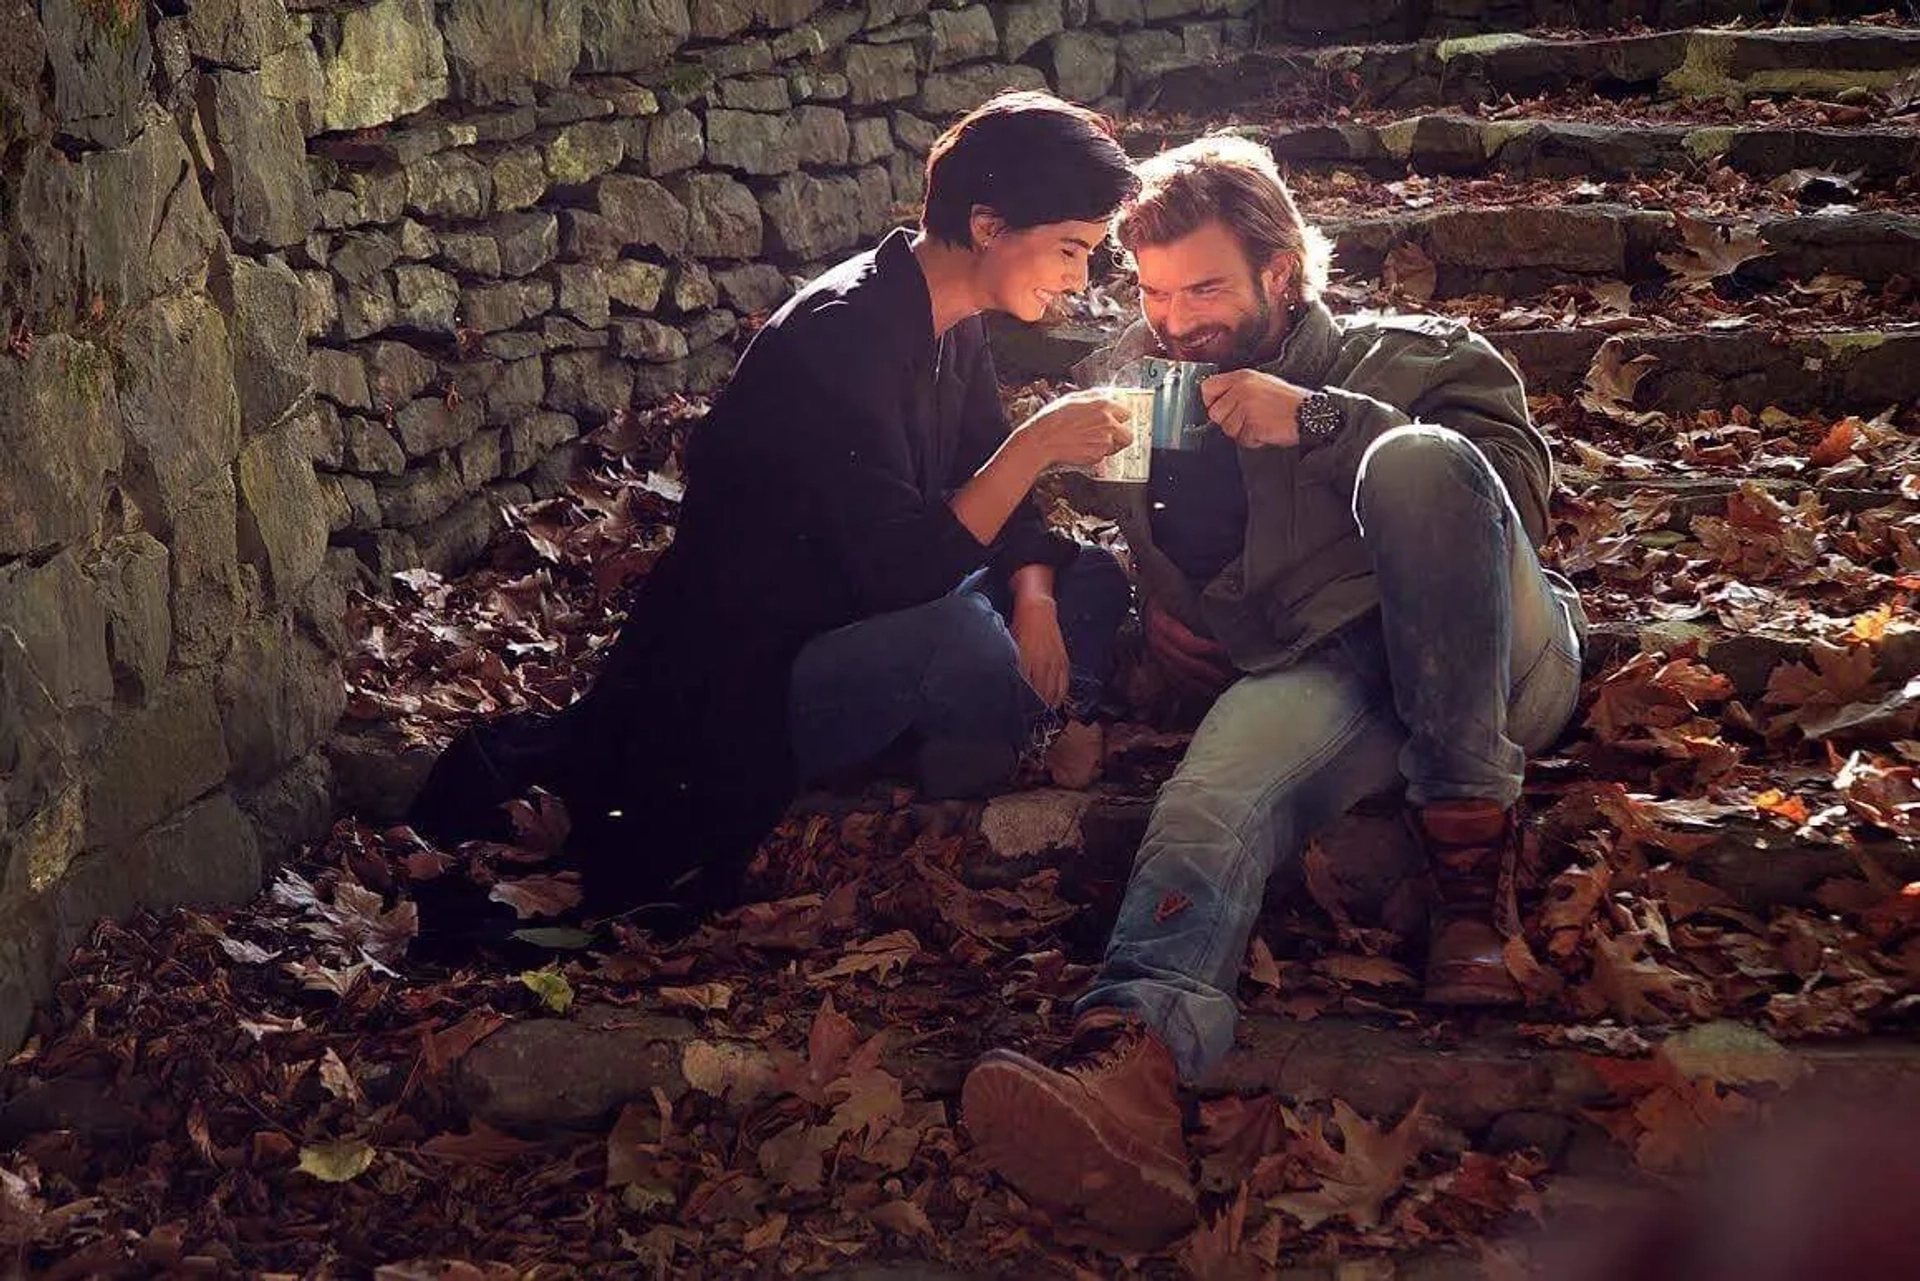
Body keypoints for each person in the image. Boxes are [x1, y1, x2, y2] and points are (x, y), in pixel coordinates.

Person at [960, 135, 1589, 1245]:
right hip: (1323, 675)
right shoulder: (1146, 382)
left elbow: (1507, 526)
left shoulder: (1422, 356)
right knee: (1209, 796)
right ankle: (1135, 1071)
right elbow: (1144, 538)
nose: (1176, 316)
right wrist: (1168, 606)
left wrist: (1323, 419)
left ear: (1282, 273)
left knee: (1420, 461)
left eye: (1205, 287)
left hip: (1491, 668)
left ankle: (1467, 892)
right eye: (1154, 290)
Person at [406, 92, 1141, 944]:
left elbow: (983, 482)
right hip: (765, 668)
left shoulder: (954, 320)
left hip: (890, 609)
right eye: (1069, 250)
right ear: (986, 225)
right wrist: (1039, 445)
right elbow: (902, 567)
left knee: (1086, 575)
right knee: (962, 636)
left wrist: (1038, 595)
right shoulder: (842, 337)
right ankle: (968, 735)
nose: (1078, 279)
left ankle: (973, 731)